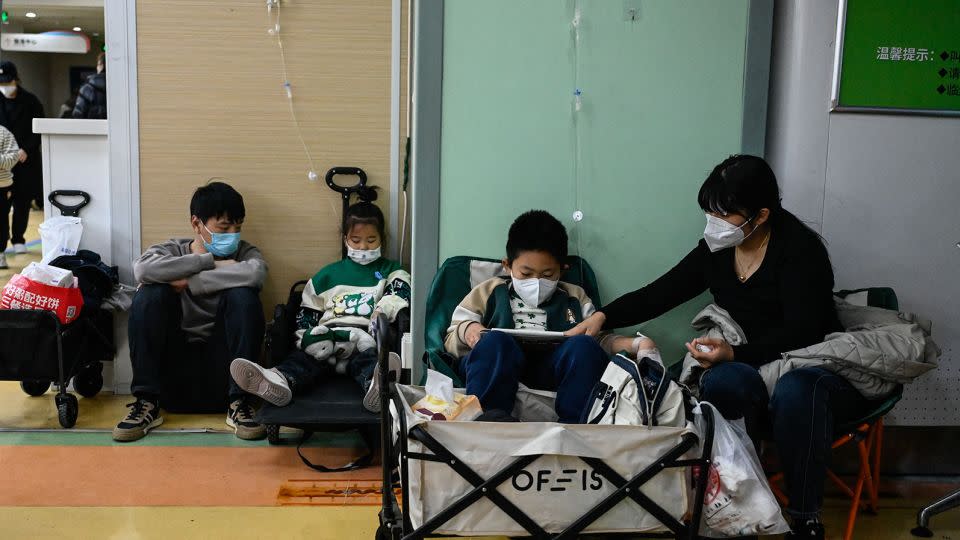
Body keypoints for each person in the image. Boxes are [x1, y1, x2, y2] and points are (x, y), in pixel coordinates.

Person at [567, 155, 871, 539]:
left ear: (760, 216)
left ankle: (805, 516)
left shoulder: (799, 252)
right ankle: (736, 496)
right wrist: (603, 317)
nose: (713, 223)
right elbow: (662, 291)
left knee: (796, 391)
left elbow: (803, 331)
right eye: (709, 212)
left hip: (808, 362)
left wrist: (734, 354)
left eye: (723, 214)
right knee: (722, 383)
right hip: (751, 361)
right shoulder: (718, 248)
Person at [446, 210, 652, 423]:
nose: (536, 282)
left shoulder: (575, 296)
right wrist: (469, 330)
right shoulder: (490, 290)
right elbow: (452, 333)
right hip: (497, 364)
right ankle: (488, 417)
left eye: (547, 275)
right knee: (495, 341)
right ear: (507, 265)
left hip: (551, 368)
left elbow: (598, 339)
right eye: (526, 274)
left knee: (583, 346)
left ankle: (575, 423)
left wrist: (635, 343)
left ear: (562, 270)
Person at [113, 181, 268, 442]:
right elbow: (143, 271)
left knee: (244, 296)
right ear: (197, 224)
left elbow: (255, 273)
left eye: (237, 227)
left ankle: (240, 403)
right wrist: (207, 262)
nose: (232, 234)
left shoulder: (245, 253)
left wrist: (190, 282)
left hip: (224, 368)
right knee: (150, 294)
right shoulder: (169, 250)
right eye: (224, 227)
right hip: (174, 366)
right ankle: (146, 401)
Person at [229, 193, 410, 413]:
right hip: (328, 337)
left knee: (368, 362)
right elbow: (306, 314)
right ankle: (279, 380)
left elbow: (401, 293)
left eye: (371, 240)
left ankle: (377, 385)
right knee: (302, 361)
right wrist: (307, 338)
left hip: (364, 338)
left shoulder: (393, 270)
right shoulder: (327, 276)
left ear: (382, 238)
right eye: (356, 240)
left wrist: (381, 310)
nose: (363, 247)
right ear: (345, 239)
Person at [0, 60, 45, 255]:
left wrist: (27, 149)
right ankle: (1, 243)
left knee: (23, 201)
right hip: (2, 164)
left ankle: (19, 238)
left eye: (8, 82)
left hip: (26, 160)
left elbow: (39, 130)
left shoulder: (31, 101)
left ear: (16, 79)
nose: (5, 87)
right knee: (2, 206)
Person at [0, 125, 21, 269]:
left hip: (2, 186)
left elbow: (13, 157)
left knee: (1, 220)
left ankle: (0, 253)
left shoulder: (4, 132)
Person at [72, 53, 107, 119]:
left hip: (92, 128)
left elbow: (78, 114)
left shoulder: (87, 89)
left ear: (101, 65)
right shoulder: (122, 88)